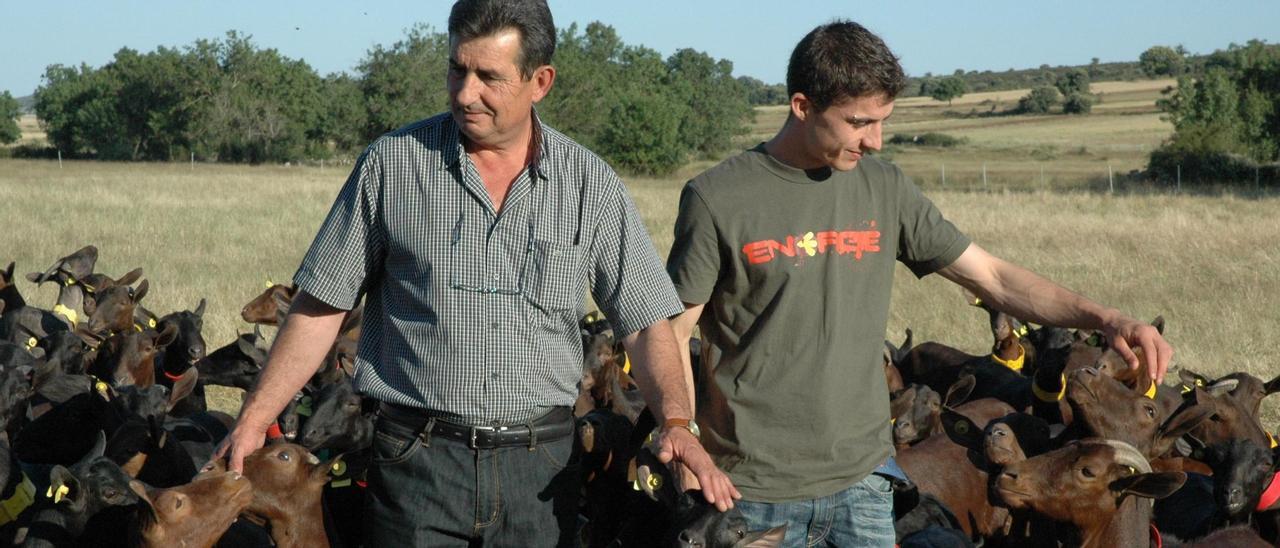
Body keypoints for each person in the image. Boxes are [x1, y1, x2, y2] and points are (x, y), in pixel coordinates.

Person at [214, 1, 736, 545]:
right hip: (416, 462)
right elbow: (322, 307)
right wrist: (254, 417)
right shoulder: (392, 165)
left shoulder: (589, 185)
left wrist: (678, 425)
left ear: (541, 81)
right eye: (457, 69)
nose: (465, 93)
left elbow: (647, 322)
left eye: (489, 76)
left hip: (541, 472)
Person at [665, 20, 1172, 547]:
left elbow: (994, 277)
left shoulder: (884, 188)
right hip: (750, 495)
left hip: (863, 486)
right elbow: (674, 332)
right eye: (859, 122)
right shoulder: (718, 197)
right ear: (801, 105)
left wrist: (1108, 318)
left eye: (883, 120)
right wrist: (681, 432)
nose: (876, 140)